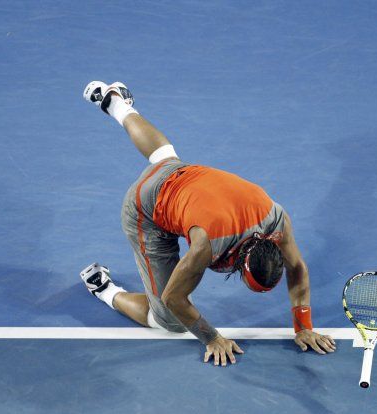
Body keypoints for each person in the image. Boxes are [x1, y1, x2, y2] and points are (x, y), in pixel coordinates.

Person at [80, 81, 336, 367]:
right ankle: (105, 290)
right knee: (168, 319)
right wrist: (212, 338)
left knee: (163, 158)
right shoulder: (207, 245)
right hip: (147, 209)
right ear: (241, 264)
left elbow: (297, 267)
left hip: (183, 175)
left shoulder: (276, 218)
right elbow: (175, 298)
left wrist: (303, 325)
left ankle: (116, 103)